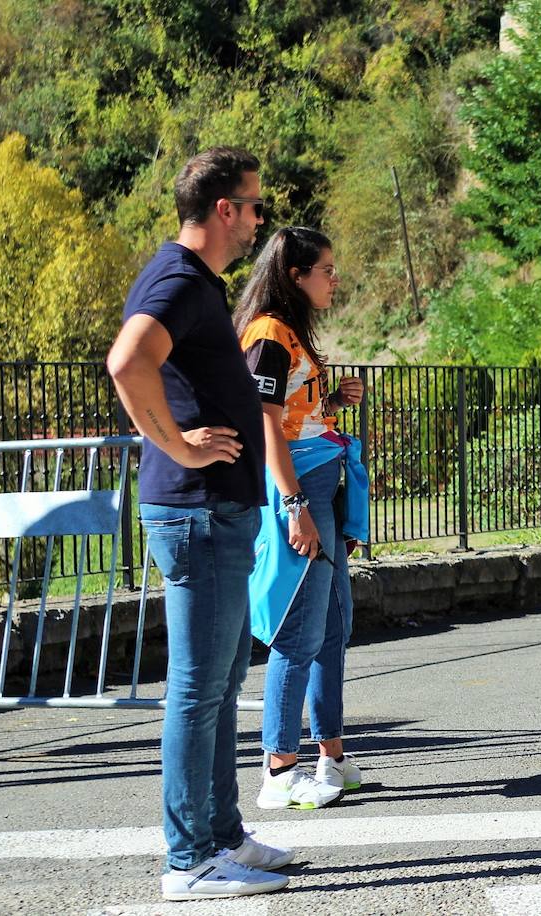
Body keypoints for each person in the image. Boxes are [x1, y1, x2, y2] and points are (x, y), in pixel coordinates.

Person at [107, 148, 294, 899]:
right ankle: (188, 861)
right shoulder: (179, 280)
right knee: (196, 687)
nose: (257, 220)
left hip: (213, 511)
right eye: (253, 207)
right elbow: (128, 362)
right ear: (223, 210)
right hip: (196, 509)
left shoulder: (193, 283)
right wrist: (176, 442)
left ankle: (222, 837)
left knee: (218, 685)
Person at [234, 227, 368, 810]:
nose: (335, 279)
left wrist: (331, 402)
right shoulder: (267, 334)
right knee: (300, 630)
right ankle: (279, 768)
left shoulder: (289, 334)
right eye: (327, 270)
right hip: (298, 490)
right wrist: (294, 507)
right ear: (295, 276)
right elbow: (264, 423)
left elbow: (290, 412)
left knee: (333, 626)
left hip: (317, 480)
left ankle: (331, 758)